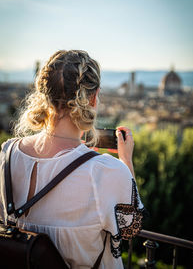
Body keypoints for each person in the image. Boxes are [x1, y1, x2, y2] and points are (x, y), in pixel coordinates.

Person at [0, 50, 145, 269]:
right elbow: (130, 229)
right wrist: (126, 162)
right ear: (93, 98)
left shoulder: (6, 154)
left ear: (43, 94)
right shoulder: (105, 172)